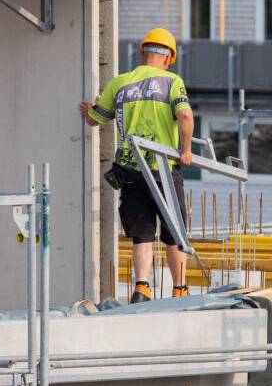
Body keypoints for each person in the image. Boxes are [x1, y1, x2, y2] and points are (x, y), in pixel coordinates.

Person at [79, 28, 195, 303]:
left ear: (143, 53)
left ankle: (141, 288)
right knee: (174, 232)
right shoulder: (172, 81)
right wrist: (186, 150)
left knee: (142, 233)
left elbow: (95, 119)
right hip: (163, 170)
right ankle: (179, 289)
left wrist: (90, 109)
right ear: (168, 58)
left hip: (130, 171)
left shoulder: (119, 83)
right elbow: (186, 115)